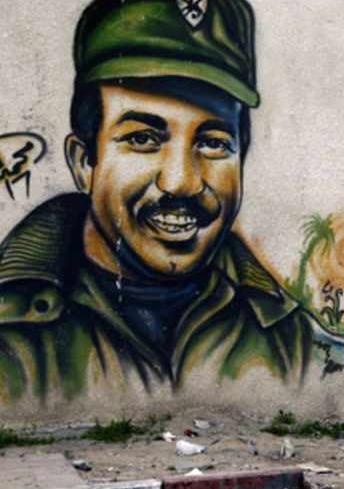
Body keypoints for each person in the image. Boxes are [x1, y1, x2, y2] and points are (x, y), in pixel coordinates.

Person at [0, 0, 315, 404]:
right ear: (84, 163)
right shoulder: (13, 322)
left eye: (213, 143)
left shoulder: (285, 333)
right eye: (142, 139)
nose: (181, 182)